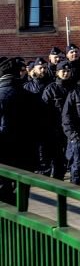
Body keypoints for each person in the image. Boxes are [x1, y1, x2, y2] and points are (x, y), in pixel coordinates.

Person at [0, 57, 38, 204]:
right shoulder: (31, 97)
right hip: (26, 155)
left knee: (3, 195)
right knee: (22, 195)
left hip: (4, 155)